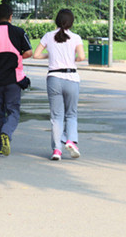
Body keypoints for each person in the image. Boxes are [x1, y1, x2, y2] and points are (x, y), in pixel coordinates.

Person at [0, 3, 33, 156]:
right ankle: (7, 133)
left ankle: (1, 145)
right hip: (14, 80)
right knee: (13, 110)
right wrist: (18, 58)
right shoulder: (19, 32)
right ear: (11, 16)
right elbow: (29, 52)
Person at [33, 9, 85, 160]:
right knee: (71, 114)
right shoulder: (76, 38)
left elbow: (36, 55)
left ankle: (57, 150)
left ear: (56, 21)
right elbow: (81, 56)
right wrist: (71, 59)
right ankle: (71, 140)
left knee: (56, 117)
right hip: (71, 78)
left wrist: (50, 55)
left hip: (54, 78)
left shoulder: (48, 36)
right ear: (71, 22)